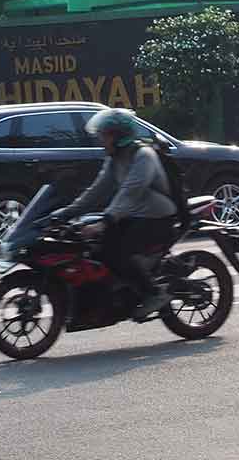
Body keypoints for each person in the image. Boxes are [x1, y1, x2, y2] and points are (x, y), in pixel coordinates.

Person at [55, 108, 177, 320]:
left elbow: (130, 192)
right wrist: (67, 213)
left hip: (158, 218)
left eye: (105, 135)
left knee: (117, 252)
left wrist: (105, 221)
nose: (101, 140)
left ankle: (153, 294)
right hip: (134, 214)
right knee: (94, 248)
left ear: (118, 135)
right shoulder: (115, 159)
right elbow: (96, 191)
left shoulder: (143, 156)